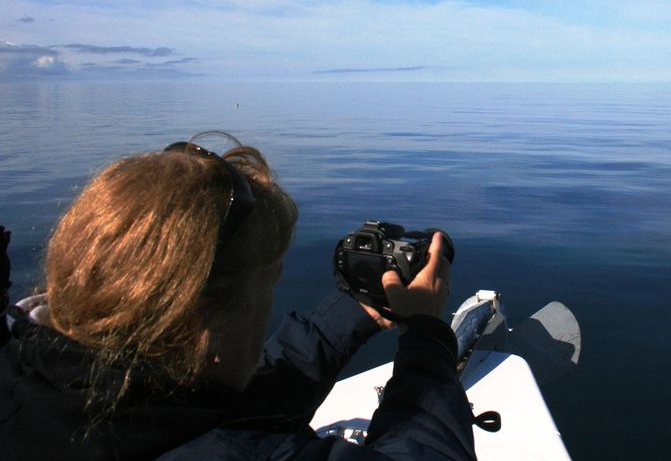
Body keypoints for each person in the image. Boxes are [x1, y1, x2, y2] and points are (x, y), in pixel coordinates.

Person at [0, 135, 475, 460]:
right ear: (202, 314)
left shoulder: (48, 380)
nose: (268, 299)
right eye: (267, 282)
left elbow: (248, 398)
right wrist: (427, 337)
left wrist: (358, 308)